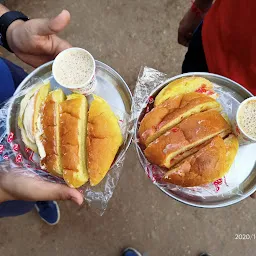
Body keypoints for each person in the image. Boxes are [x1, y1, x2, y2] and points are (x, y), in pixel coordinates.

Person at [0, 4, 84, 224]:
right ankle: (38, 198)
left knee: (42, 156)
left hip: (8, 83)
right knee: (25, 196)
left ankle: (42, 189)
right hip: (8, 185)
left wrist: (10, 28)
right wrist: (2, 188)